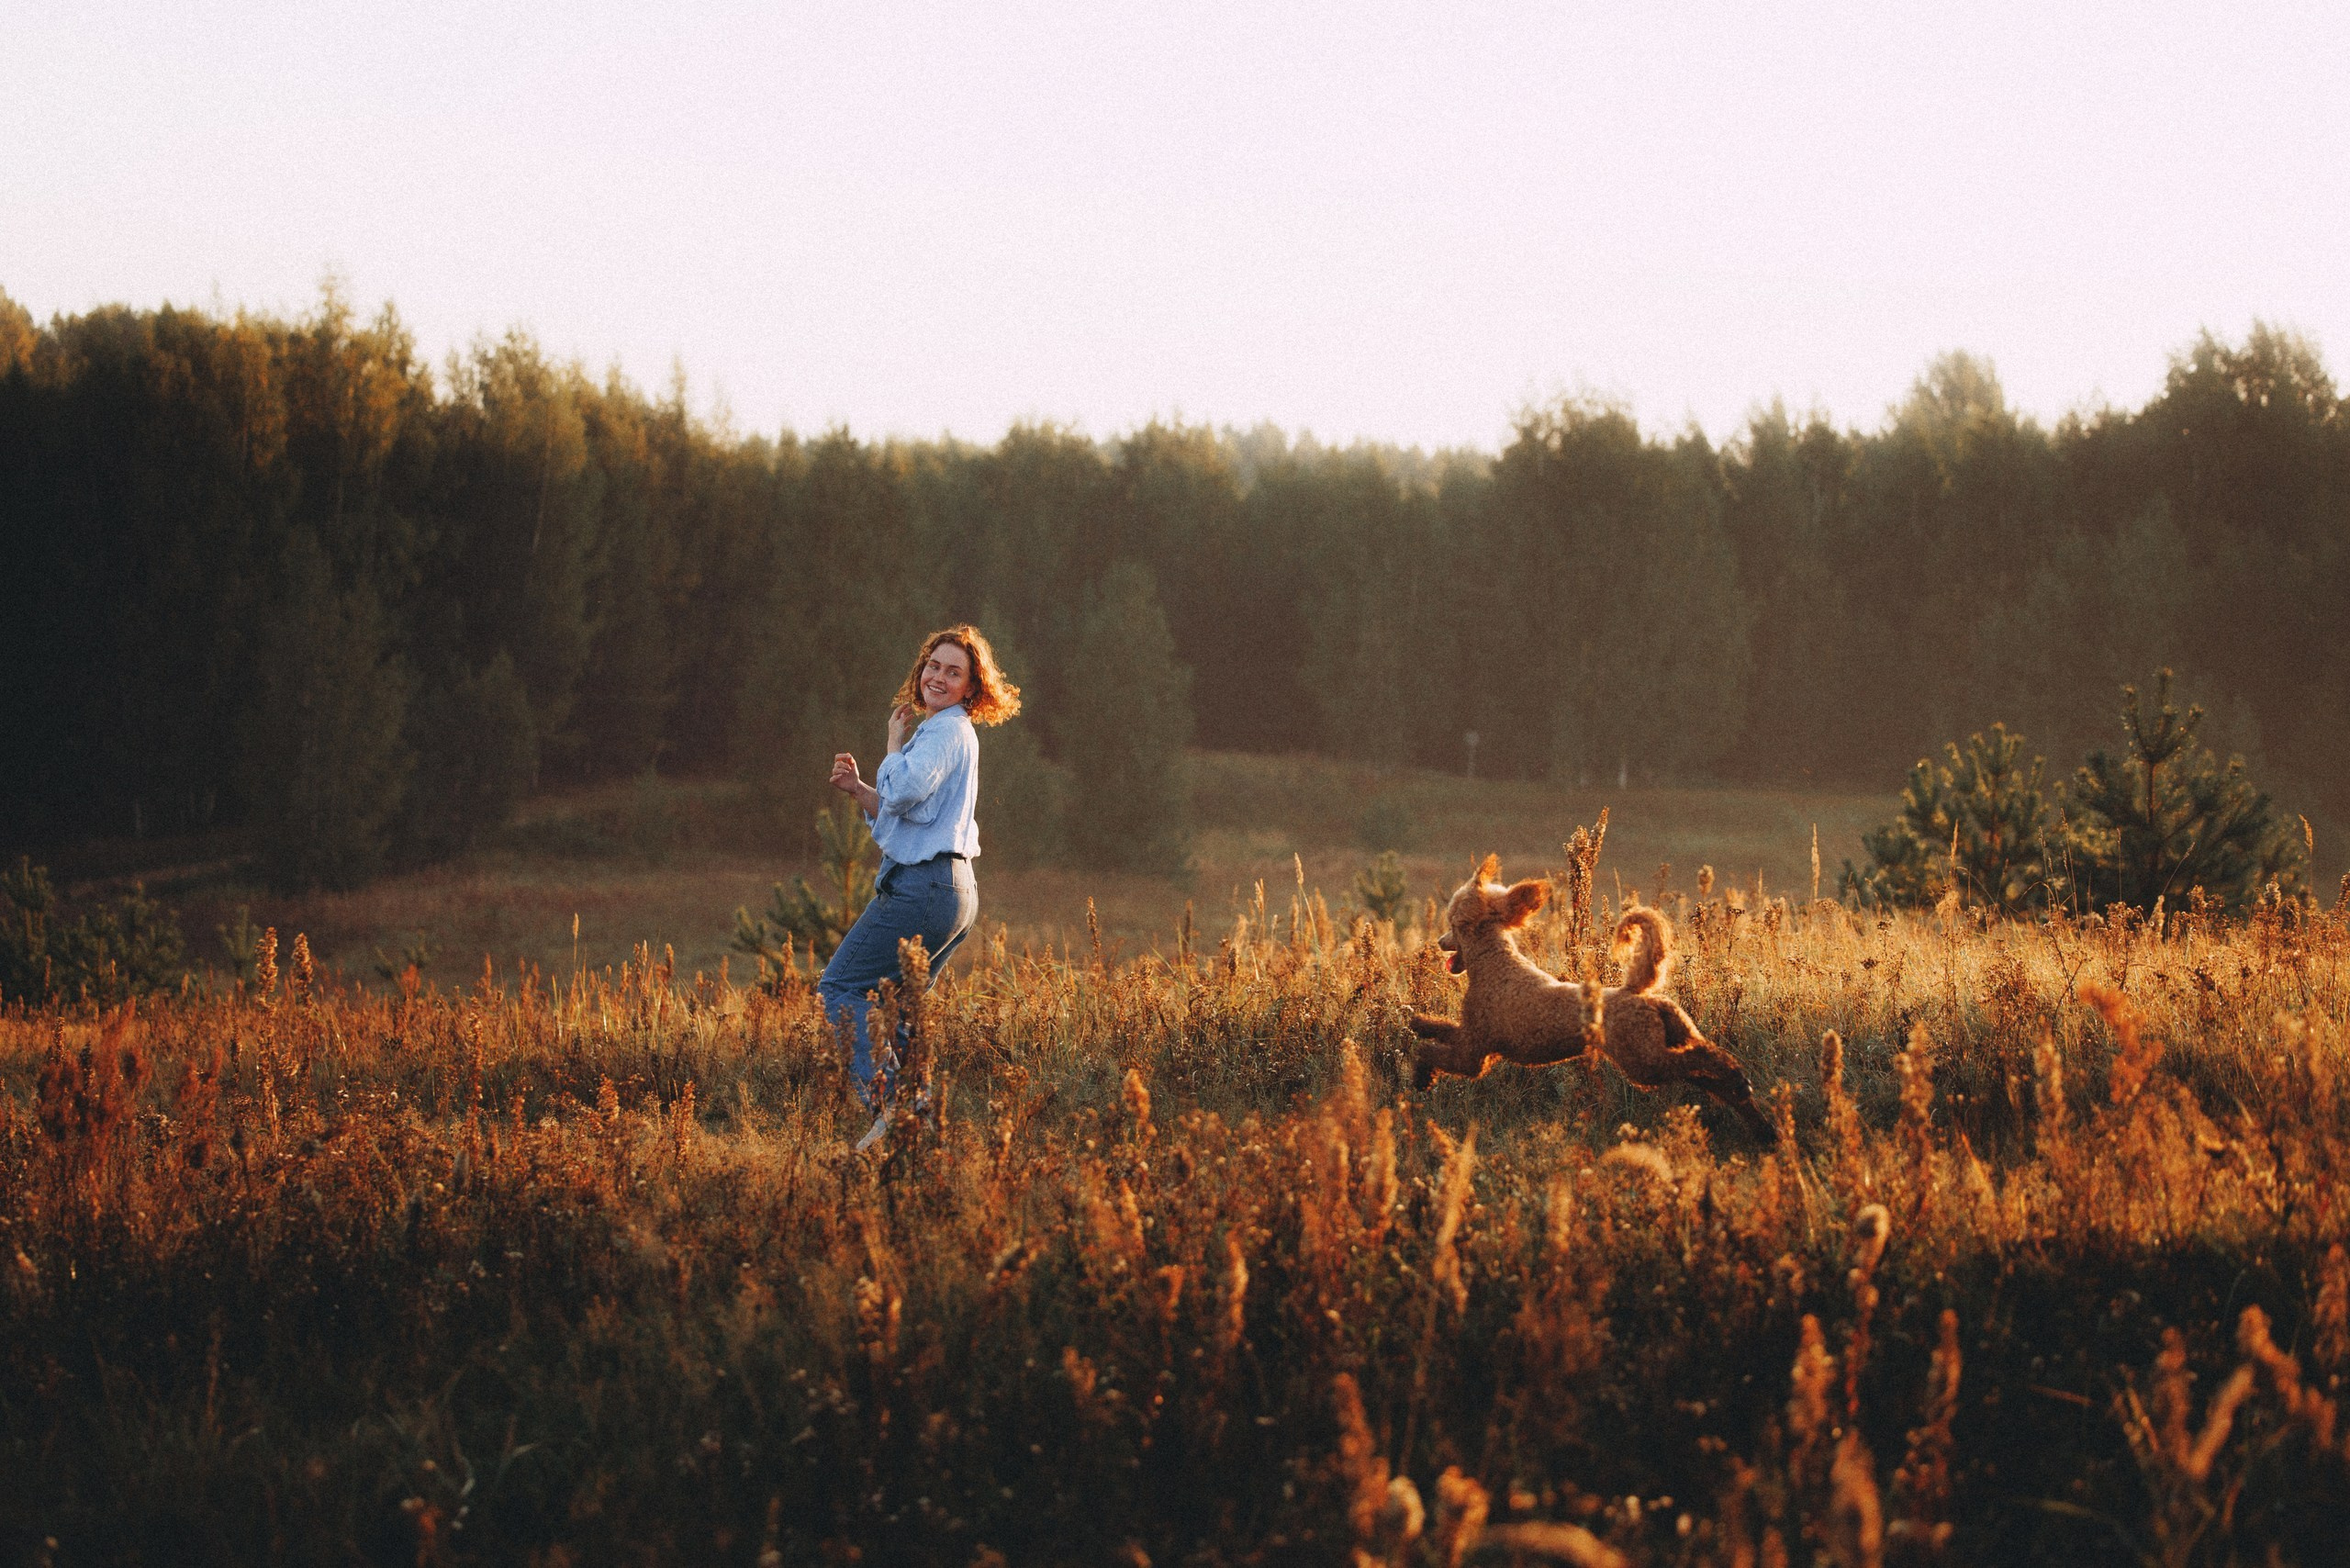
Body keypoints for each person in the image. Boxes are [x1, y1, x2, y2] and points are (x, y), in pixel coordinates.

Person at [821, 625, 1021, 1148]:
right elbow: (912, 816)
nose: (938, 676)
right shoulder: (946, 733)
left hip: (925, 888)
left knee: (840, 987)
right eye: (934, 665)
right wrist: (861, 790)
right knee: (905, 1012)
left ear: (971, 689)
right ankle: (923, 1132)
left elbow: (905, 788)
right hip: (953, 890)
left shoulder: (946, 731)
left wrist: (890, 746)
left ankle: (891, 1107)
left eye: (954, 672)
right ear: (922, 668)